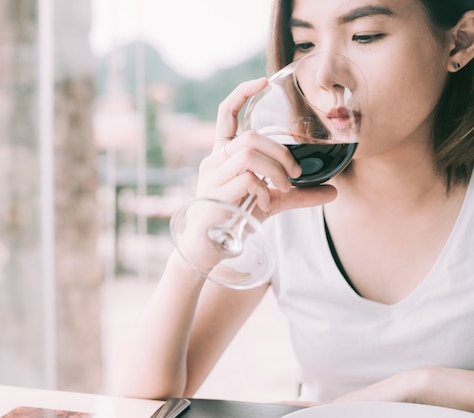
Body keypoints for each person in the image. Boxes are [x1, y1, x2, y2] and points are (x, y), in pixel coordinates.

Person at [112, 0, 474, 412]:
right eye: (304, 44)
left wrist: (418, 387)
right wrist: (193, 251)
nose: (324, 76)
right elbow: (139, 404)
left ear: (460, 41)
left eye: (365, 36)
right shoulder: (281, 202)